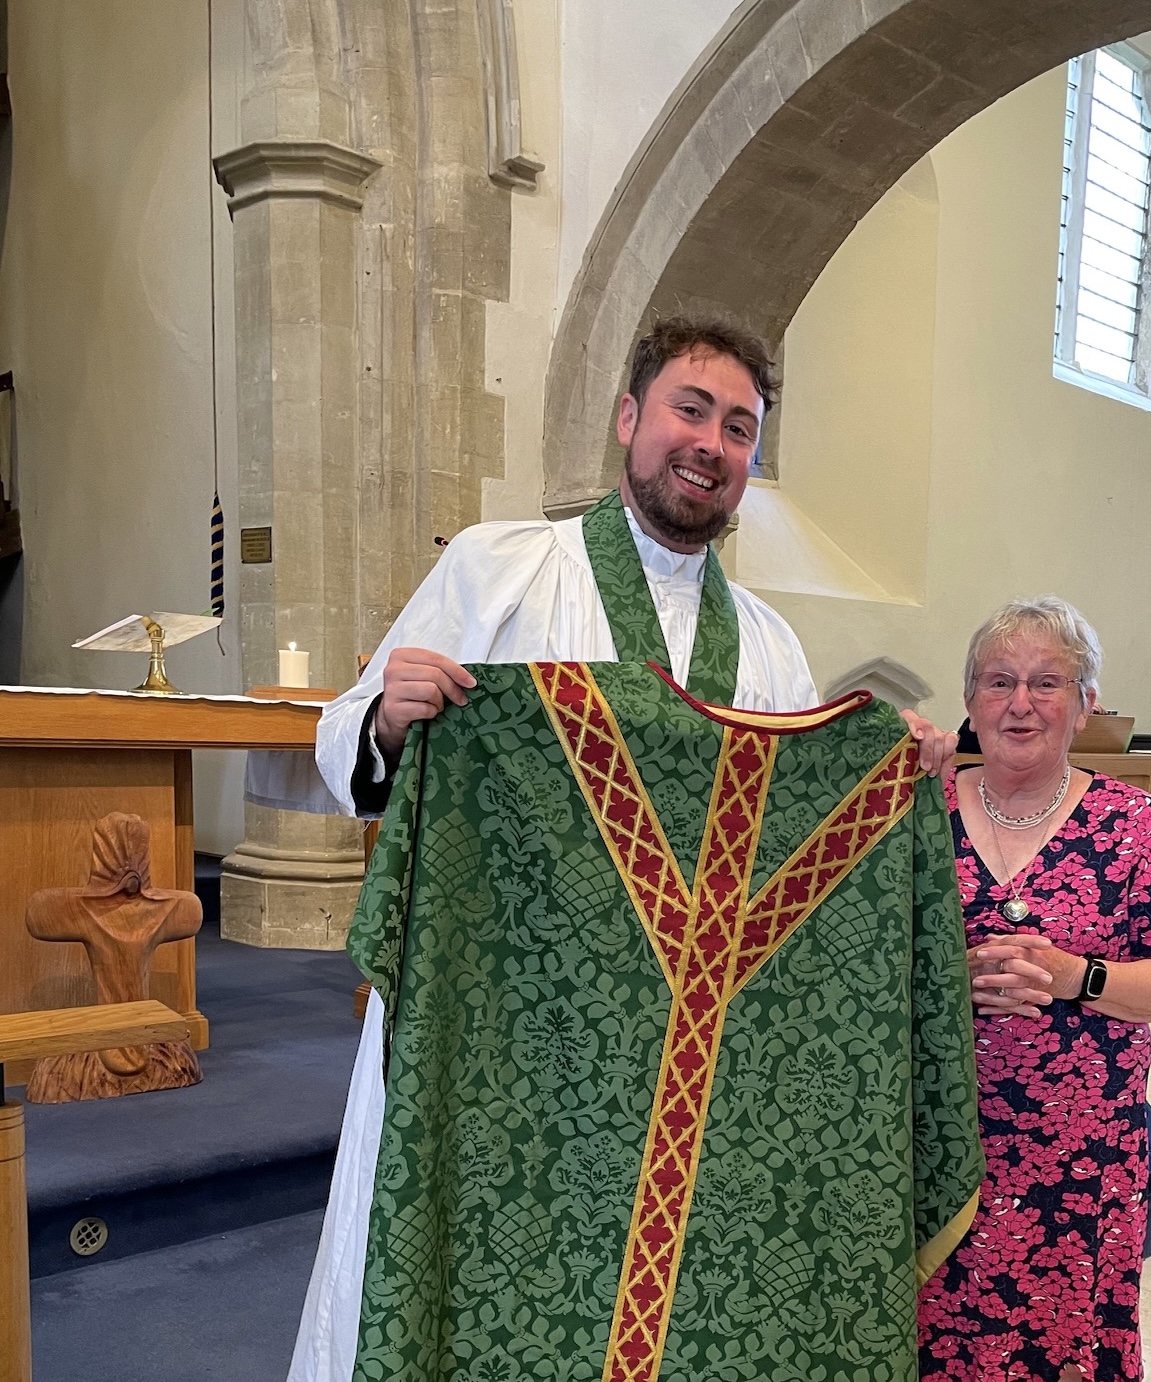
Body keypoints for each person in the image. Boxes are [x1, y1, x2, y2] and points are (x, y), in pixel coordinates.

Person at [294, 315, 957, 1382]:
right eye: (690, 409)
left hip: (688, 1073)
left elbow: (804, 842)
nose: (710, 443)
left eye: (739, 428)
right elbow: (343, 734)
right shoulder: (499, 568)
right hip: (509, 1040)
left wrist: (895, 771)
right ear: (628, 418)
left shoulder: (774, 645)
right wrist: (384, 717)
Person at [917, 596, 1151, 1382]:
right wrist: (952, 976)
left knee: (1057, 1341)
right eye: (999, 680)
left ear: (1085, 706)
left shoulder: (1134, 822)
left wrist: (1078, 976)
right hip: (939, 1139)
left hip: (1078, 1156)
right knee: (939, 1330)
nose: (1020, 703)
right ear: (970, 698)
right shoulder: (918, 811)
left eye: (1048, 683)